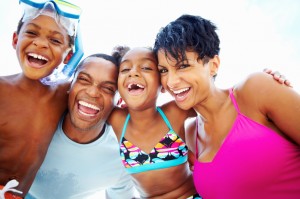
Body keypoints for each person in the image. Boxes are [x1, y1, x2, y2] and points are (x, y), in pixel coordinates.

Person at [153, 14, 300, 199]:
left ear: (213, 65)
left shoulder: (256, 89)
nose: (172, 81)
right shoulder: (191, 133)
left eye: (183, 66)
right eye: (164, 71)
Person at [26, 53, 138, 199]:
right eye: (84, 80)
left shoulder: (121, 160)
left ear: (120, 101)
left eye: (108, 88)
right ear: (70, 84)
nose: (92, 93)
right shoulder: (33, 120)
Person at [0, 0, 81, 198]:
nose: (41, 43)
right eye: (32, 33)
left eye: (55, 41)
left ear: (69, 56)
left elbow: (90, 73)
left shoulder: (63, 95)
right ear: (14, 40)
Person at [109, 46, 201, 198]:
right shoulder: (117, 120)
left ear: (162, 84)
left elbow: (211, 105)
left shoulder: (174, 113)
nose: (133, 72)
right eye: (125, 69)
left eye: (146, 67)